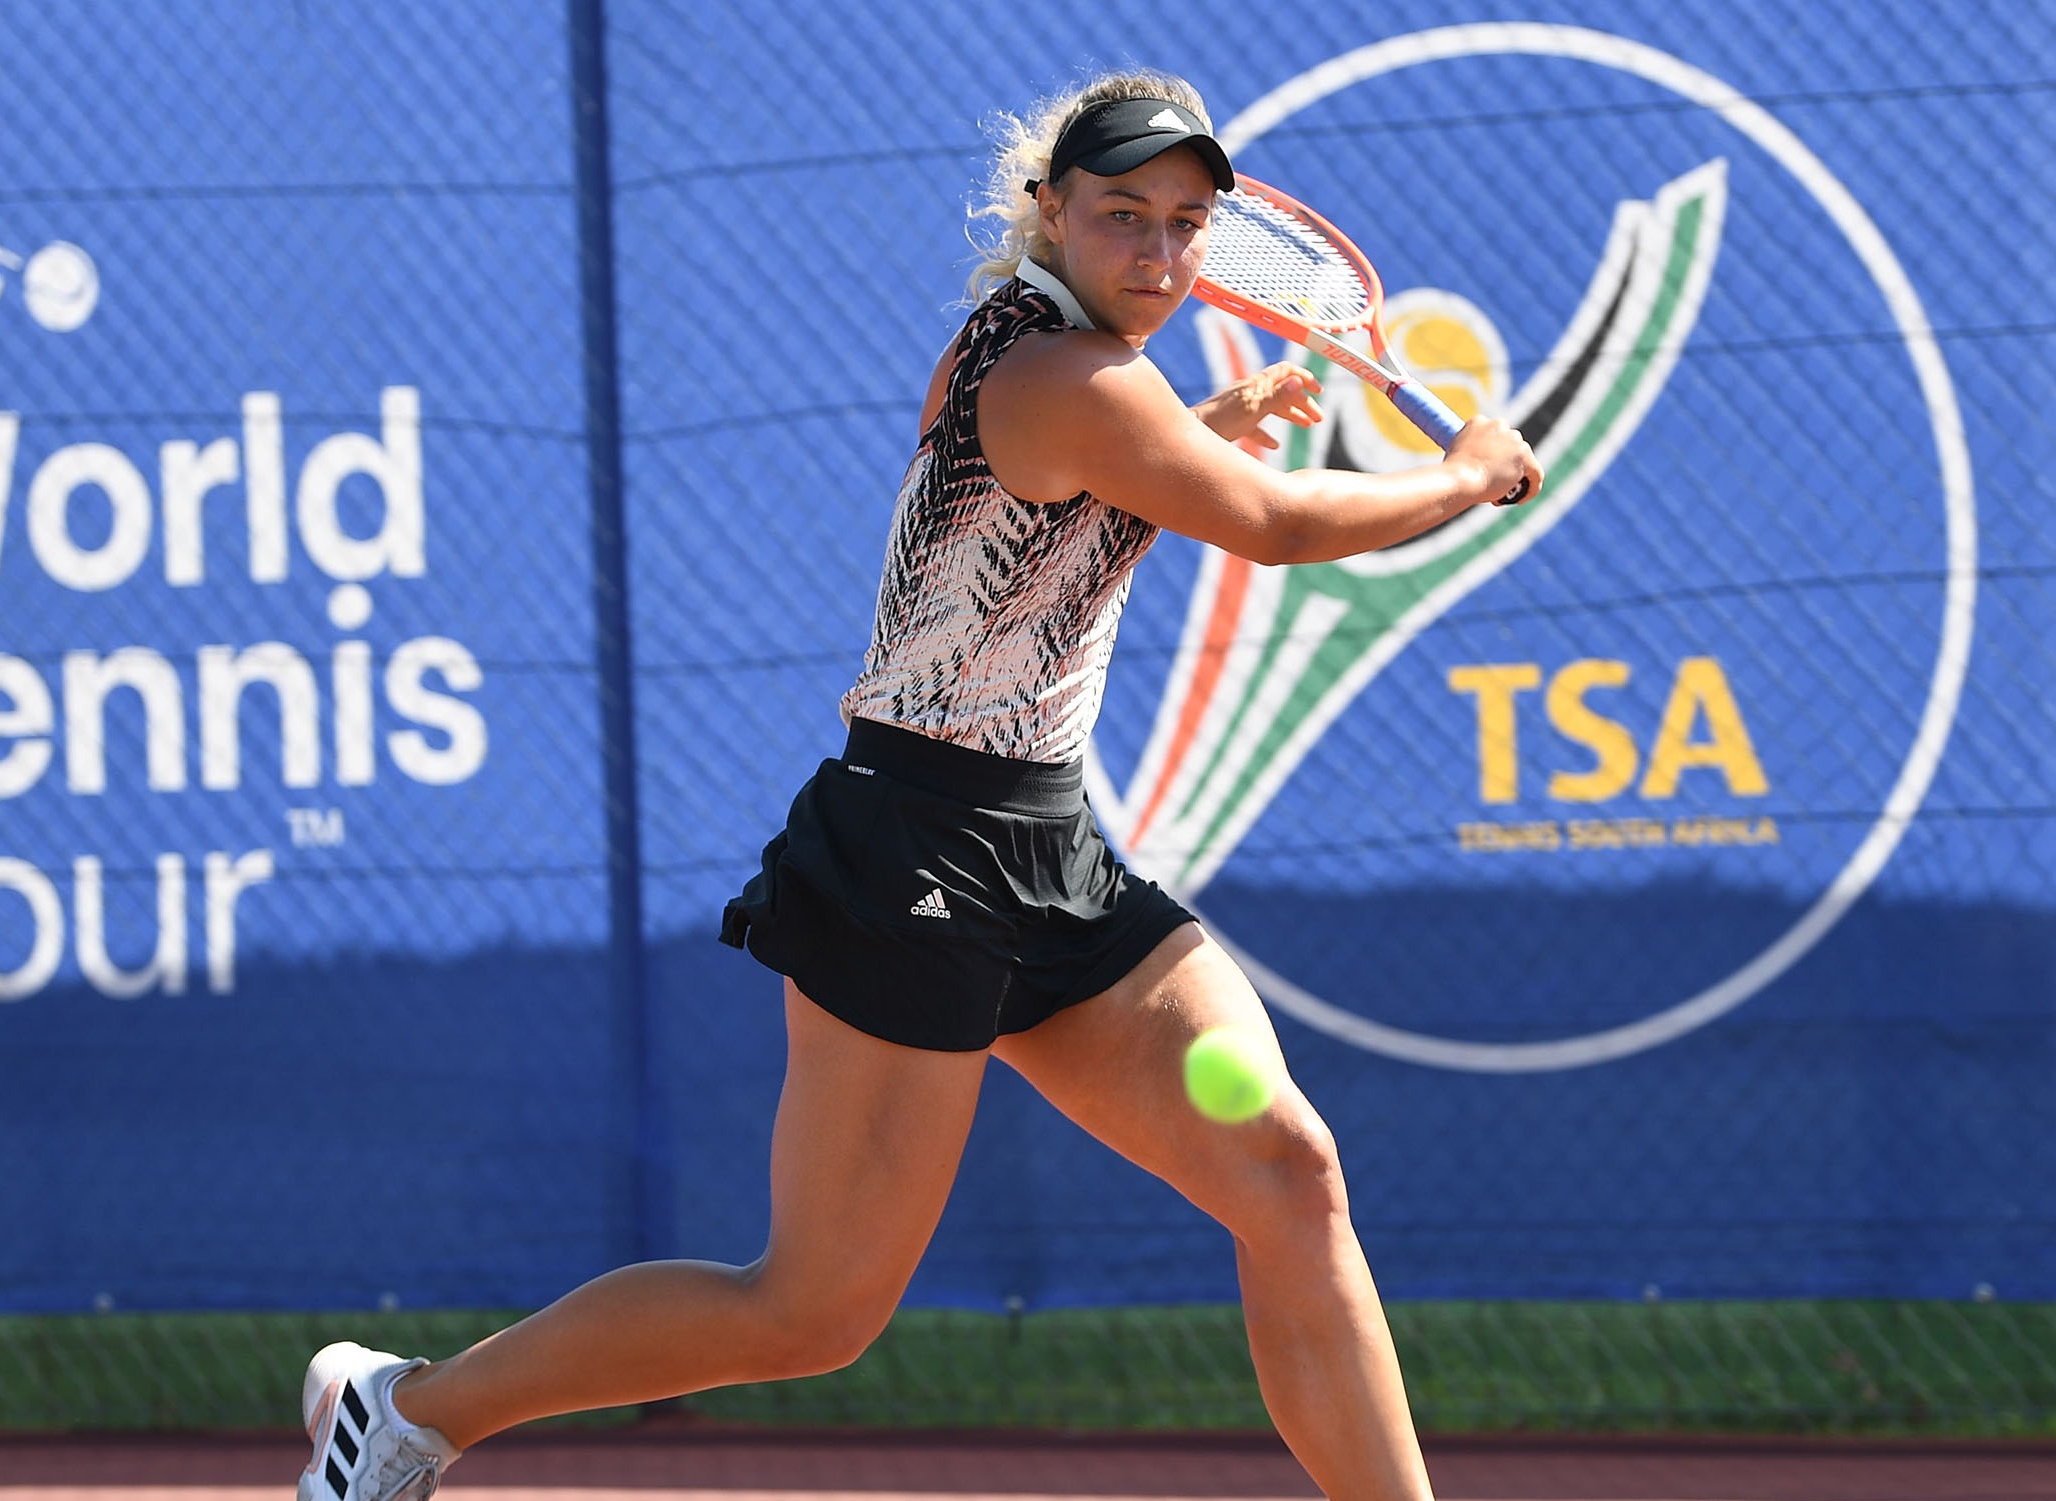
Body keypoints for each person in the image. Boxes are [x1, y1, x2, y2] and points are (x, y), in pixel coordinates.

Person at [298, 68, 1541, 1501]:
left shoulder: (1060, 359)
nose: (1157, 250)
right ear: (1051, 213)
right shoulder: (1063, 375)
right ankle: (405, 1409)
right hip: (914, 858)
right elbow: (1268, 523)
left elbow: (1081, 491)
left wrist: (1202, 420)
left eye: (1185, 222)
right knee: (809, 1311)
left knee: (1287, 1171)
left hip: (1050, 851)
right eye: (1122, 213)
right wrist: (1466, 475)